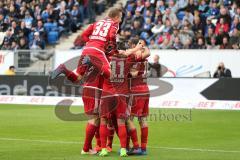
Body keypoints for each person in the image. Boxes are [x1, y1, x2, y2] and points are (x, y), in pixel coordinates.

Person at [50, 8, 123, 155]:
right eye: (120, 17)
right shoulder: (114, 25)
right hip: (97, 52)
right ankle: (93, 147)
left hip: (86, 49)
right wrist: (112, 47)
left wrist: (89, 43)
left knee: (77, 76)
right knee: (111, 75)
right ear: (116, 17)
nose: (121, 20)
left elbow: (83, 35)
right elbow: (112, 35)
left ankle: (63, 68)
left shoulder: (97, 23)